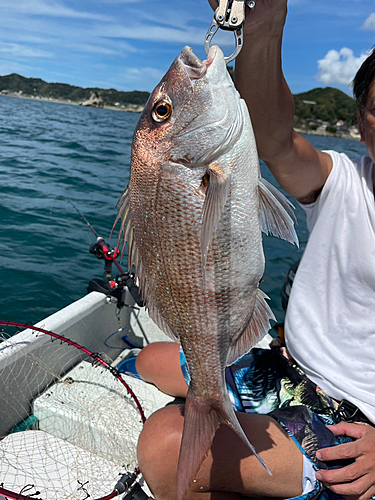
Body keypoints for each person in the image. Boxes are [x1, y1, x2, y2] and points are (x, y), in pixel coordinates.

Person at [135, 1, 375, 499]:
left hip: (356, 413)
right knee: (148, 361)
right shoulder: (346, 180)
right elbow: (273, 138)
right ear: (360, 118)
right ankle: (217, 394)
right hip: (289, 365)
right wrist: (264, 23)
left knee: (164, 447)